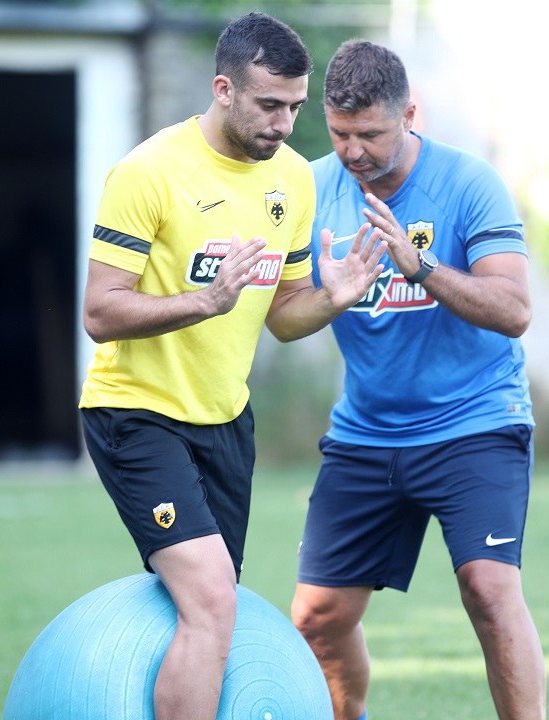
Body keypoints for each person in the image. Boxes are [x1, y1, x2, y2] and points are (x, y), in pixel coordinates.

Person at [78, 13, 387, 720]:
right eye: (269, 105)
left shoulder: (293, 180)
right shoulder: (148, 172)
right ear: (224, 89)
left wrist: (332, 299)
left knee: (210, 607)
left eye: (295, 107)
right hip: (136, 413)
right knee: (213, 599)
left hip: (224, 423)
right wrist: (205, 301)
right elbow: (99, 311)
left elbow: (284, 315)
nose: (285, 124)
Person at [289, 39, 547, 720]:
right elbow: (284, 316)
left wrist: (421, 267)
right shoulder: (308, 190)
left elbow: (515, 311)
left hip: (474, 421)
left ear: (409, 114)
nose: (353, 152)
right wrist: (330, 296)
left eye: (370, 135)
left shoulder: (468, 183)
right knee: (316, 619)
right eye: (340, 134)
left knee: (489, 592)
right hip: (366, 432)